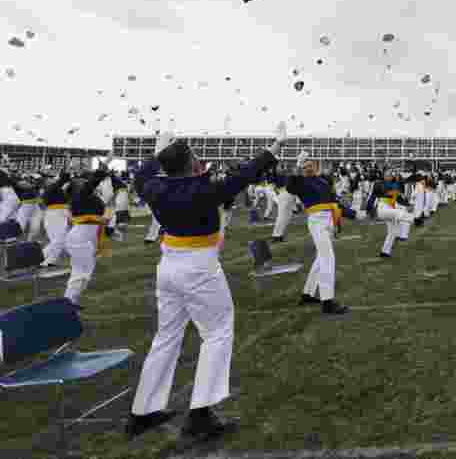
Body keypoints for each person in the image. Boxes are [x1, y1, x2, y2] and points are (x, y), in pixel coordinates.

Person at [126, 124, 284, 441]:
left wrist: (159, 153)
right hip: (198, 266)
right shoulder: (202, 189)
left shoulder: (154, 187)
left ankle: (142, 412)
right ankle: (200, 414)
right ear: (187, 164)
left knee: (166, 336)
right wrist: (272, 149)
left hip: (169, 264)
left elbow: (143, 175)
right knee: (217, 332)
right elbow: (243, 176)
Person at [289, 152, 356, 315]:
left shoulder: (323, 180)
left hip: (329, 220)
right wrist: (297, 166)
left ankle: (308, 293)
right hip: (317, 221)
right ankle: (327, 301)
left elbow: (334, 202)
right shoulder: (300, 182)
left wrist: (351, 214)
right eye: (304, 165)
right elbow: (291, 186)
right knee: (328, 258)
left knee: (321, 258)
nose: (307, 167)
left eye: (309, 164)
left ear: (315, 165)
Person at [65, 164, 114, 305]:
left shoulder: (87, 197)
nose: (84, 183)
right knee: (81, 273)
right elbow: (91, 185)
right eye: (81, 182)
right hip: (80, 238)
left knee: (84, 272)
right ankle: (68, 302)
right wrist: (101, 172)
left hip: (85, 237)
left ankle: (71, 301)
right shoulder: (80, 196)